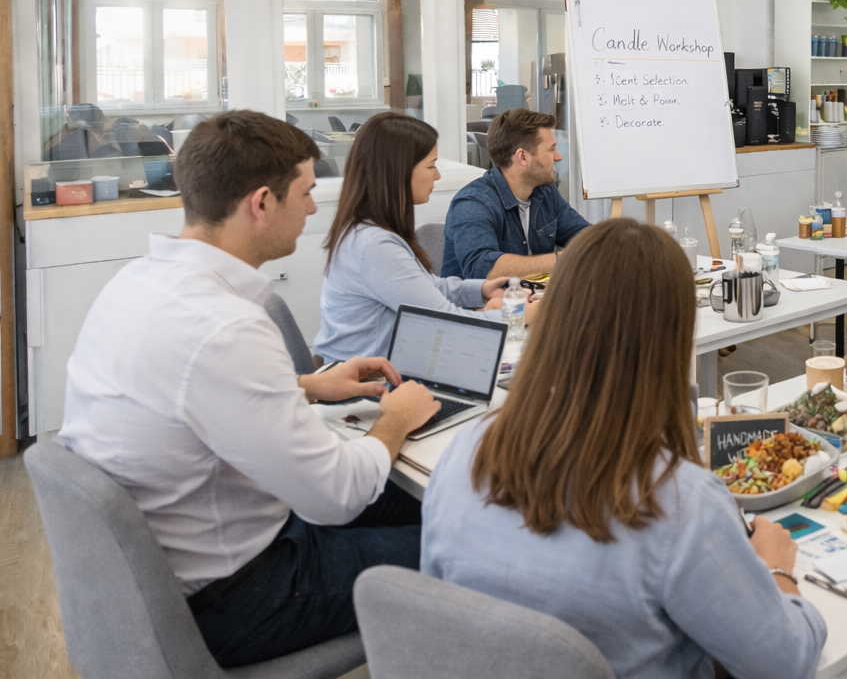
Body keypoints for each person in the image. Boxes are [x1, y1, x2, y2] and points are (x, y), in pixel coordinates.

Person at [58, 110, 441, 668]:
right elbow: (334, 497)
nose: (314, 208)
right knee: (468, 539)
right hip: (243, 593)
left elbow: (188, 394)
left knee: (421, 504)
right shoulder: (226, 326)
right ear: (262, 203)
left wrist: (308, 384)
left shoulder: (139, 282)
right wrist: (397, 419)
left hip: (185, 561)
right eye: (307, 193)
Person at [422, 218, 826, 679]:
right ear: (673, 337)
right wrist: (777, 570)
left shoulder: (465, 451)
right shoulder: (679, 502)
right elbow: (787, 663)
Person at [313, 113, 508, 362]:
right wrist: (515, 313)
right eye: (431, 165)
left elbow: (426, 286)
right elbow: (444, 322)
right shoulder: (375, 246)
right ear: (399, 171)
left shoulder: (372, 228)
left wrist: (480, 290)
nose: (437, 176)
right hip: (363, 386)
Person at [440, 108, 589, 280]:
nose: (558, 156)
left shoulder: (545, 192)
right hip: (484, 306)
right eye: (551, 149)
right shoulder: (473, 203)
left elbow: (585, 238)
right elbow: (482, 268)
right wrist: (560, 260)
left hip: (533, 300)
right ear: (523, 157)